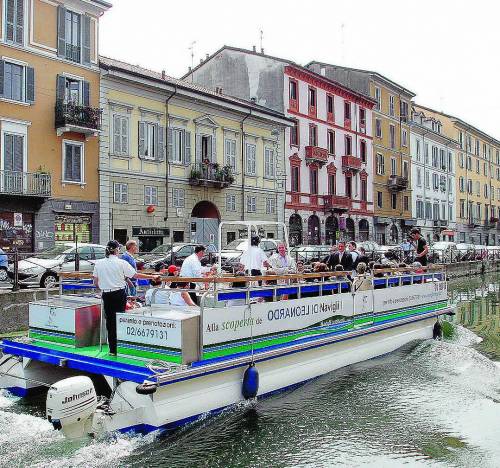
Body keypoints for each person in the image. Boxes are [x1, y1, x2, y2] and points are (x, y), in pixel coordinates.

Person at [93, 240, 159, 356]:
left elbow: (96, 282)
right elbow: (135, 275)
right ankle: (121, 348)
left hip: (106, 294)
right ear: (117, 250)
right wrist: (152, 276)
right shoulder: (121, 263)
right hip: (119, 293)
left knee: (110, 321)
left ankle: (112, 349)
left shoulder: (99, 263)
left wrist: (105, 285)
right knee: (120, 319)